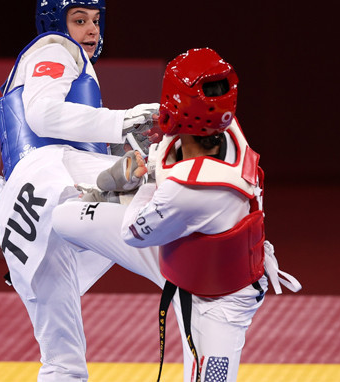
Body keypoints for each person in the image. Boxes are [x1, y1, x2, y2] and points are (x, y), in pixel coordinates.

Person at [53, 48, 301, 382]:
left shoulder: (188, 190)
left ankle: (107, 202)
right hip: (179, 251)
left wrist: (143, 181)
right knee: (63, 217)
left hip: (221, 300)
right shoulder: (228, 127)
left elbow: (132, 233)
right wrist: (152, 163)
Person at [0, 0, 160, 381]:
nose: (91, 30)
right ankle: (206, 277)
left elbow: (59, 122)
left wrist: (118, 142)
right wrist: (122, 121)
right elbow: (42, 115)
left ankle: (113, 188)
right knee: (162, 184)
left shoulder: (58, 62)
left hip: (25, 215)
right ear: (55, 20)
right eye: (79, 19)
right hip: (50, 176)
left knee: (62, 364)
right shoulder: (55, 48)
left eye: (96, 19)